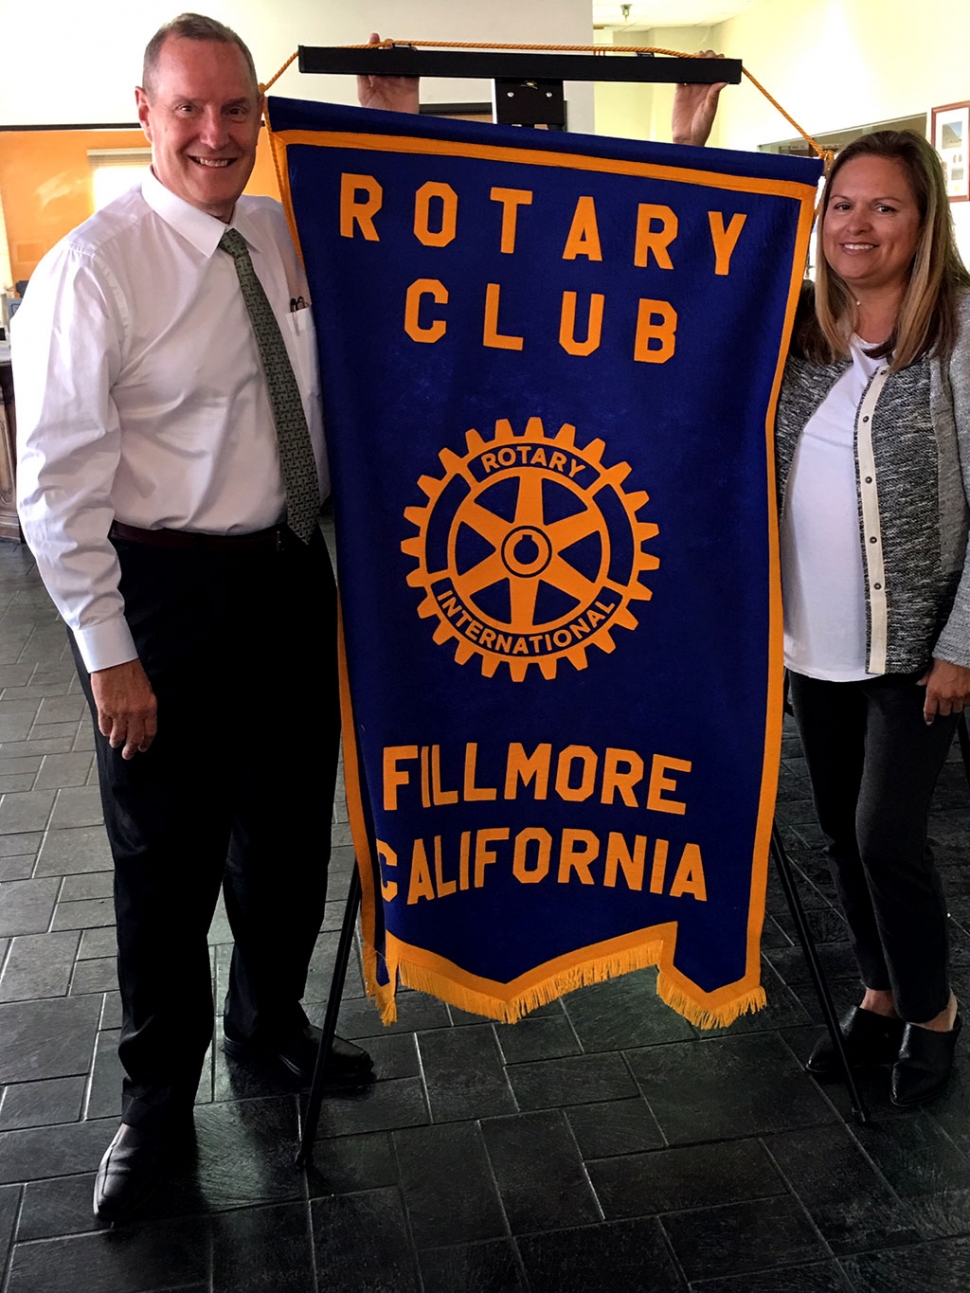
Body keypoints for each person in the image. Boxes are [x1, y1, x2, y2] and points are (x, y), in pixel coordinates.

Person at [13, 14, 417, 1222]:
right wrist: (107, 653)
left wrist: (392, 120)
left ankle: (268, 1029)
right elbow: (53, 481)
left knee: (289, 834)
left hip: (292, 574)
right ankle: (150, 1108)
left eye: (235, 109)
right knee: (164, 867)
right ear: (144, 113)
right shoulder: (96, 267)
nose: (213, 132)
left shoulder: (283, 237)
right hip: (164, 597)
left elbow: (401, 260)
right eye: (188, 109)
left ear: (260, 114)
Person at [675, 71, 970, 1105]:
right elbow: (690, 290)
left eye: (883, 206)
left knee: (887, 832)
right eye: (841, 204)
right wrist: (689, 143)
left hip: (915, 647)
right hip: (812, 643)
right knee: (838, 832)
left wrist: (961, 644)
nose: (857, 224)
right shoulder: (799, 327)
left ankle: (932, 1010)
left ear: (921, 220)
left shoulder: (956, 333)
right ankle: (881, 994)